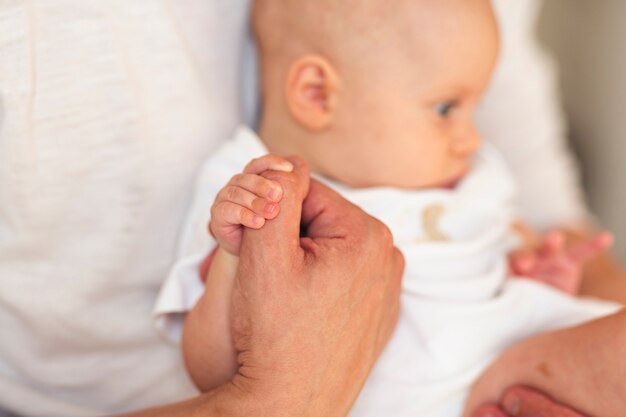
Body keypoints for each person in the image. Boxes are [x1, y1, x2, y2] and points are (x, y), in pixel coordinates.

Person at [0, 1, 622, 417]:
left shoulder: (462, 170)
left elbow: (519, 234)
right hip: (403, 397)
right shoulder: (259, 191)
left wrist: (543, 271)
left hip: (518, 352)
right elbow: (212, 367)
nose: (471, 135)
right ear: (317, 93)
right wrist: (230, 266)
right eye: (445, 109)